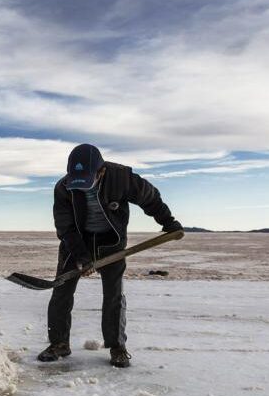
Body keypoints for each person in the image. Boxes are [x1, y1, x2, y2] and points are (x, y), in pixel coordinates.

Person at [38, 144, 182, 367]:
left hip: (111, 242)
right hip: (77, 241)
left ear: (101, 171)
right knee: (61, 291)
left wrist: (168, 222)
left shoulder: (121, 178)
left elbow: (150, 197)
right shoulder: (64, 187)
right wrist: (81, 256)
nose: (82, 187)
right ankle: (59, 343)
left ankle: (117, 346)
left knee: (113, 294)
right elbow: (65, 227)